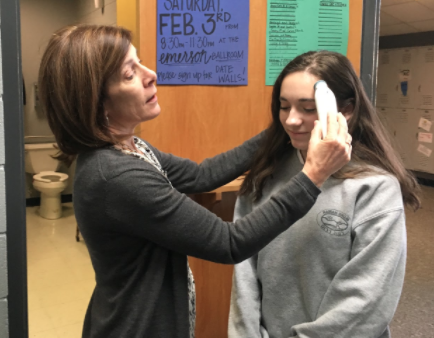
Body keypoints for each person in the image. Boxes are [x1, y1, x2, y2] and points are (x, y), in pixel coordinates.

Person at [38, 25, 351, 338]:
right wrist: (312, 175)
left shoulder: (130, 148)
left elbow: (202, 175)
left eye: (141, 61)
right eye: (130, 73)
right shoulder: (117, 176)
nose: (152, 74)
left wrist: (288, 123)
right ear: (97, 101)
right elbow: (230, 243)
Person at [228, 50, 421, 338]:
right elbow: (244, 274)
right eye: (284, 106)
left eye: (308, 108)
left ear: (346, 111)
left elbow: (367, 299)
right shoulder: (265, 174)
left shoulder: (375, 188)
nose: (292, 120)